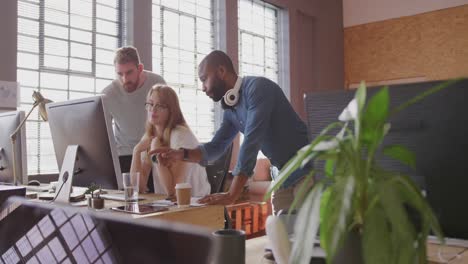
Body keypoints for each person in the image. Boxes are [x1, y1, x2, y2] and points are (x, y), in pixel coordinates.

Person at [153, 50, 310, 213]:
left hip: (306, 167)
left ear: (221, 71)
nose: (203, 88)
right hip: (283, 175)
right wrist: (180, 154)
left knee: (307, 233)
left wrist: (232, 194)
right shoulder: (230, 110)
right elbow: (215, 148)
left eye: (204, 79)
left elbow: (251, 141)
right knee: (282, 231)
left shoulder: (258, 89)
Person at [130, 84, 210, 197]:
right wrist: (136, 151)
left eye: (160, 105)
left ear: (171, 110)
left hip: (194, 204)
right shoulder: (150, 136)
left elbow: (172, 191)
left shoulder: (181, 136)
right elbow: (138, 187)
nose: (153, 109)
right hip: (168, 205)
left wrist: (156, 150)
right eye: (151, 104)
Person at [101, 46, 166, 183]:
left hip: (153, 152)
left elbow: (169, 119)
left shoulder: (157, 84)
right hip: (124, 156)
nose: (125, 79)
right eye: (120, 74)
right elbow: (103, 134)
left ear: (140, 68)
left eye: (129, 72)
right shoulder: (107, 94)